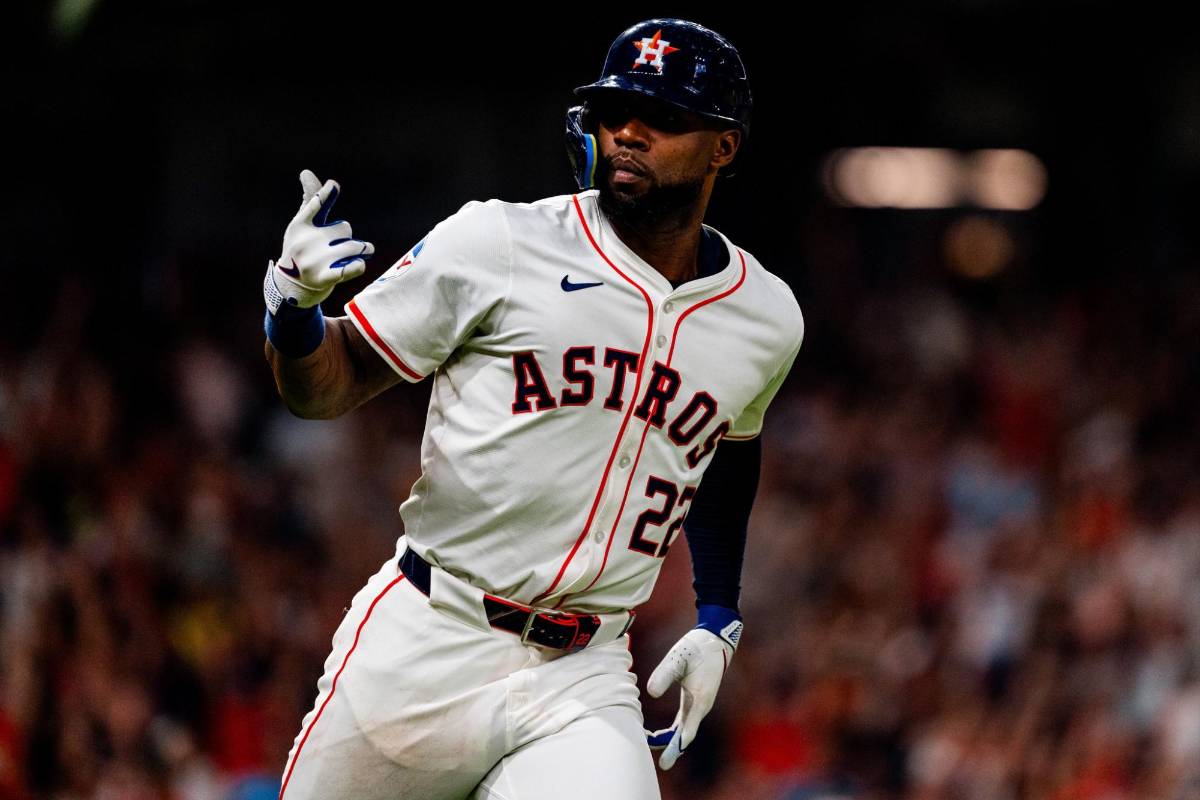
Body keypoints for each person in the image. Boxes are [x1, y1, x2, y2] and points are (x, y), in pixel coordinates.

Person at [261, 17, 804, 800]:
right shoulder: (500, 242)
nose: (629, 133)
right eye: (617, 111)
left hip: (582, 677)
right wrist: (293, 309)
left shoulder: (766, 316)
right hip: (428, 638)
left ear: (724, 147)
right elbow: (323, 387)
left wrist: (719, 611)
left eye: (663, 118)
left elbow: (727, 445)